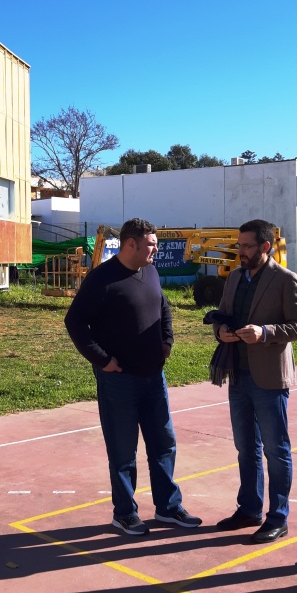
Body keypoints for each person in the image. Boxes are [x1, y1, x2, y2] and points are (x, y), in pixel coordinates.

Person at [65, 218, 202, 536]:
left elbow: (163, 306)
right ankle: (124, 513)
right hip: (119, 380)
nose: (156, 249)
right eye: (152, 244)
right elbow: (74, 322)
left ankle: (168, 507)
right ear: (131, 245)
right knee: (123, 450)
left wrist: (167, 340)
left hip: (154, 377)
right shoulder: (102, 279)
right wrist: (102, 360)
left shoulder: (151, 271)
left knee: (163, 444)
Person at [213, 219, 297, 543]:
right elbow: (224, 314)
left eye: (247, 246)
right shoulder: (235, 277)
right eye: (239, 245)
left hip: (269, 378)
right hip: (238, 374)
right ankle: (249, 508)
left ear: (265, 247)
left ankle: (278, 517)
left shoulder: (286, 281)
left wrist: (264, 332)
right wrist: (221, 332)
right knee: (245, 448)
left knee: (275, 450)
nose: (241, 251)